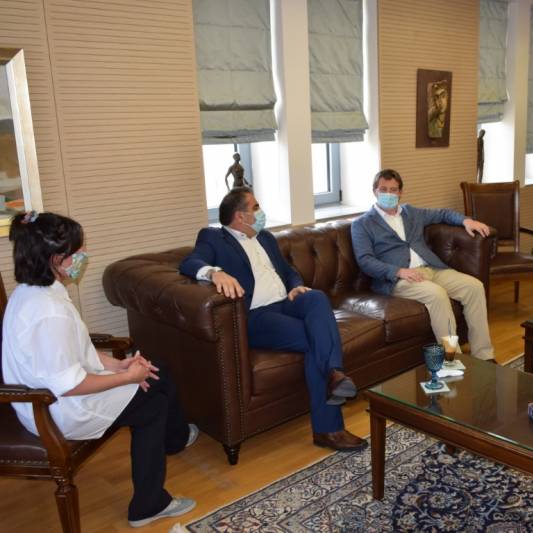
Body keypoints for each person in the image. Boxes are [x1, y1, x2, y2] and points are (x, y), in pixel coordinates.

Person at [2, 211, 197, 528]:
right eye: (76, 251)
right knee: (153, 402)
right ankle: (150, 502)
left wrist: (118, 364)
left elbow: (75, 350)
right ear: (55, 258)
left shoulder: (31, 292)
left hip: (48, 398)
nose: (83, 256)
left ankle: (175, 440)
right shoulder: (48, 312)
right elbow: (70, 385)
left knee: (157, 370)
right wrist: (127, 377)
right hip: (56, 410)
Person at [179, 187, 366, 452]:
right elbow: (190, 262)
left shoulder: (265, 237)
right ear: (240, 216)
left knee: (316, 298)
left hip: (286, 302)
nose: (261, 212)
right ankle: (329, 426)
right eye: (255, 207)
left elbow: (288, 271)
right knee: (316, 340)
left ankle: (335, 373)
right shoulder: (213, 237)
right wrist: (214, 273)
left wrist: (296, 286)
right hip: (257, 315)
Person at [350, 169, 496, 362]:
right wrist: (398, 271)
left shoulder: (411, 213)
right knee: (437, 295)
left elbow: (443, 214)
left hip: (432, 269)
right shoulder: (362, 224)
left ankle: (484, 356)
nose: (388, 194)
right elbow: (365, 260)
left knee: (474, 287)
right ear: (374, 191)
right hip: (398, 279)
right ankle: (452, 360)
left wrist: (467, 221)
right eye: (383, 189)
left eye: (393, 190)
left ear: (400, 192)